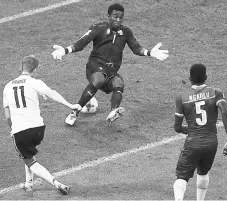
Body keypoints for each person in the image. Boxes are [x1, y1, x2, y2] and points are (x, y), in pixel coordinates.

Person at [51, 3, 169, 125]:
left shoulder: (126, 32)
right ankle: (74, 112)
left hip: (111, 71)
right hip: (94, 66)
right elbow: (81, 43)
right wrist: (64, 50)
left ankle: (113, 111)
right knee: (99, 79)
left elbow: (136, 48)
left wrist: (150, 53)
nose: (118, 19)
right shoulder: (99, 28)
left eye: (121, 17)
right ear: (108, 16)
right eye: (115, 16)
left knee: (119, 83)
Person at [3, 55, 80, 195]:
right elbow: (51, 93)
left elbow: (7, 116)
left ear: (21, 67)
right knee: (28, 151)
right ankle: (29, 183)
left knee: (29, 159)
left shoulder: (7, 87)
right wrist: (70, 105)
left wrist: (12, 129)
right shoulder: (34, 82)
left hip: (20, 131)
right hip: (39, 129)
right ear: (35, 69)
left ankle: (56, 183)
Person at [173, 64, 227, 201]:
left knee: (181, 178)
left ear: (189, 78)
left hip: (193, 142)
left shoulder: (182, 97)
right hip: (211, 143)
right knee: (203, 172)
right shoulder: (216, 93)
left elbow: (177, 127)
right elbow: (224, 111)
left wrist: (186, 129)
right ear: (206, 77)